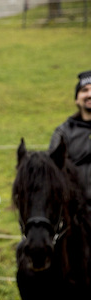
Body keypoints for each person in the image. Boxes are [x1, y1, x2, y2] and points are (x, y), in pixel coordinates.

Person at [49, 70, 91, 209]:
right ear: (76, 99)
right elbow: (53, 171)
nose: (89, 94)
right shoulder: (63, 133)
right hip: (77, 213)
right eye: (84, 90)